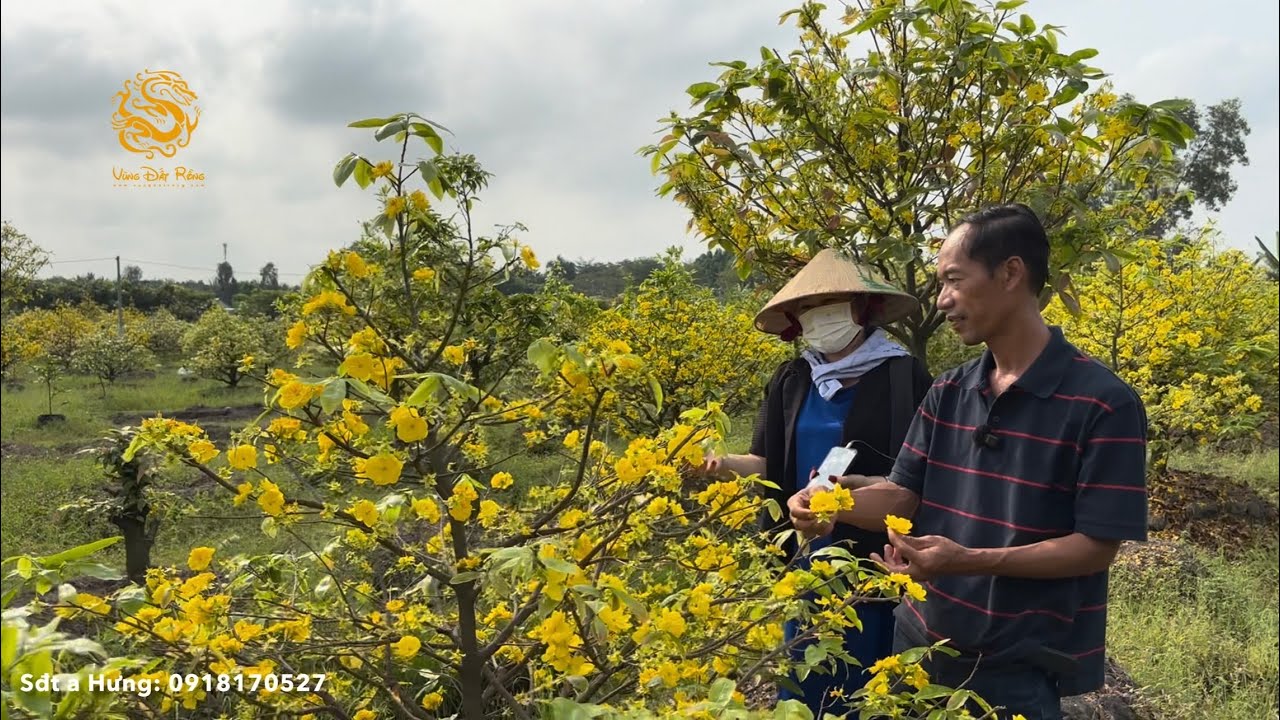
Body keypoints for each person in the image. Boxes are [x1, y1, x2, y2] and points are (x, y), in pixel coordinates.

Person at [786, 204, 1150, 720]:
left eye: (954, 280)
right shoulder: (950, 389)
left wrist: (969, 560)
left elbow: (1094, 548)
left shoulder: (1102, 403)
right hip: (917, 642)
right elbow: (905, 494)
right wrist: (832, 503)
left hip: (1014, 665)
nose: (942, 301)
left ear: (1010, 273)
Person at [699, 249, 932, 718]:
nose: (818, 314)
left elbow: (917, 475)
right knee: (805, 677)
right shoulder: (792, 378)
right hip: (804, 557)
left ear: (861, 308)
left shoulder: (903, 374)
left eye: (832, 301)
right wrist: (719, 464)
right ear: (795, 319)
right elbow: (768, 463)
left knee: (868, 682)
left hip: (872, 560)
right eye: (808, 306)